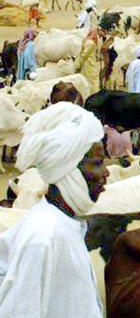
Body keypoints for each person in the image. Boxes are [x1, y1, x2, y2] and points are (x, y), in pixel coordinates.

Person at [0, 103, 106, 317]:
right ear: (68, 170)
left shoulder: (66, 225)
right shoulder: (43, 237)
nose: (106, 172)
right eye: (97, 163)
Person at [75, 28, 100, 93]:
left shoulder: (85, 41)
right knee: (94, 80)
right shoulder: (91, 43)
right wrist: (79, 64)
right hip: (89, 64)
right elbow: (84, 55)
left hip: (85, 64)